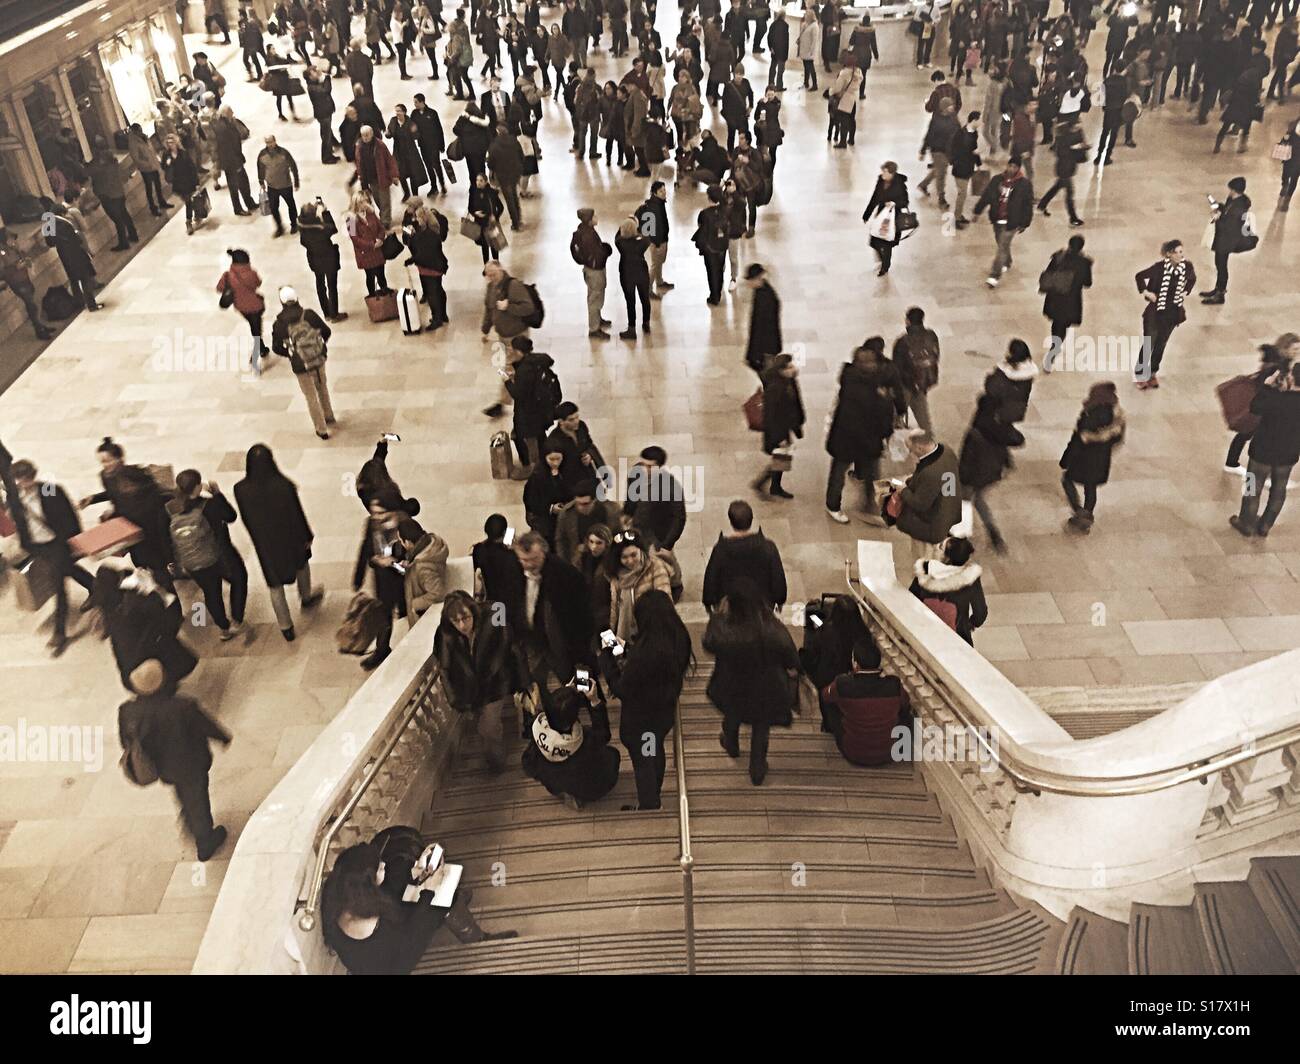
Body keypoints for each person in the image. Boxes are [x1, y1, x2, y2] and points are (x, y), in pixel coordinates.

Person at [321, 826, 515, 974]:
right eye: (380, 868)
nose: (384, 868)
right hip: (397, 964)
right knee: (441, 898)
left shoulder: (340, 901)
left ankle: (454, 905)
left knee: (420, 888)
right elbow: (416, 932)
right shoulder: (380, 927)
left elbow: (388, 900)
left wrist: (416, 873)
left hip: (380, 957)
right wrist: (431, 890)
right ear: (368, 883)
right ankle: (473, 932)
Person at [118, 660, 230, 861]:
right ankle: (205, 840)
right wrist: (223, 737)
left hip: (162, 767)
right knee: (197, 797)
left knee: (181, 791)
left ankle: (188, 816)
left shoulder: (127, 710)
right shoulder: (182, 706)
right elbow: (205, 726)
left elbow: (125, 741)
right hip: (191, 764)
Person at [599, 589, 691, 811]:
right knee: (653, 750)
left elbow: (622, 688)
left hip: (641, 721)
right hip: (661, 715)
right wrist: (626, 649)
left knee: (643, 761)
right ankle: (654, 791)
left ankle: (649, 803)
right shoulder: (676, 637)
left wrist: (605, 659)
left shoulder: (646, 655)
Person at [704, 578, 799, 786]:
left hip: (731, 686)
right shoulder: (773, 629)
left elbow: (708, 642)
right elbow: (792, 659)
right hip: (767, 689)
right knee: (761, 727)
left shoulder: (724, 630)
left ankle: (731, 744)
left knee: (732, 715)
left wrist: (718, 616)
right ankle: (757, 768)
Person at [233, 444, 322, 641]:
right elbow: (296, 514)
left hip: (265, 544)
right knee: (301, 567)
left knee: (274, 585)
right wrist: (306, 536)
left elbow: (246, 518)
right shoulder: (283, 486)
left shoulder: (240, 489)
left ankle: (286, 626)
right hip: (290, 539)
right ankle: (306, 597)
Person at [5, 459, 94, 656]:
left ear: (33, 476)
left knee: (58, 585)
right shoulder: (14, 498)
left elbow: (69, 515)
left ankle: (60, 632)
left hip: (57, 543)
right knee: (66, 569)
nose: (24, 484)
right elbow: (18, 521)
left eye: (27, 479)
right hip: (36, 546)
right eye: (20, 480)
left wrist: (76, 540)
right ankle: (94, 585)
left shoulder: (48, 490)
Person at [507, 530, 595, 698]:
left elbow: (583, 616)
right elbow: (507, 602)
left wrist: (581, 653)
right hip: (532, 641)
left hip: (565, 643)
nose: (529, 565)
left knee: (581, 683)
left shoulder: (567, 575)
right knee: (537, 685)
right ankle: (552, 715)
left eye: (534, 559)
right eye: (524, 560)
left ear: (544, 552)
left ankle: (592, 706)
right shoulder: (512, 571)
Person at [825, 338, 904, 524]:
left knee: (838, 471)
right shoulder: (876, 392)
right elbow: (884, 420)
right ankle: (870, 506)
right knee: (872, 473)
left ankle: (833, 505)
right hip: (867, 439)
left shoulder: (848, 378)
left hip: (843, 437)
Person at [435, 591, 513, 771]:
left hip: (495, 683)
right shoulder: (445, 634)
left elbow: (507, 644)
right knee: (484, 724)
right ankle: (493, 752)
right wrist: (454, 698)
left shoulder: (495, 612)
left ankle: (496, 761)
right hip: (470, 690)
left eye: (465, 618)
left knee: (488, 727)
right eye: (456, 621)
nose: (462, 625)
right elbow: (444, 668)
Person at [957, 355, 1029, 554]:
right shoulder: (1000, 428)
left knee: (967, 500)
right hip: (991, 469)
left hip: (973, 472)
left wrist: (961, 474)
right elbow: (1016, 440)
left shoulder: (977, 430)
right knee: (978, 499)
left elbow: (967, 456)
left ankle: (964, 536)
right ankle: (994, 535)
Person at [78, 438, 173, 580]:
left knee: (157, 565)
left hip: (149, 527)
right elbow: (114, 495)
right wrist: (93, 499)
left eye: (109, 460)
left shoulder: (136, 473)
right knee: (139, 563)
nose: (106, 465)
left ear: (120, 459)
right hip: (129, 529)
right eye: (102, 462)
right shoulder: (105, 476)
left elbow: (154, 496)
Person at [1230, 363, 1300, 538]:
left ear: (1291, 378)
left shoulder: (1276, 397)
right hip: (1288, 454)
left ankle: (1245, 522)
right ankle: (1265, 525)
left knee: (1252, 486)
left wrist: (1268, 386)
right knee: (1279, 489)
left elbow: (1255, 407)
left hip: (1262, 451)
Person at [522, 685, 619, 808]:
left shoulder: (537, 727)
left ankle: (563, 791)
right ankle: (577, 794)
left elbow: (528, 764)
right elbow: (603, 735)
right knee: (613, 754)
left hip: (553, 781)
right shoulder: (584, 743)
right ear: (569, 723)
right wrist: (595, 701)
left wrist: (566, 693)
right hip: (583, 785)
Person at [821, 637, 907, 766]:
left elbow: (824, 696)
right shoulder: (893, 685)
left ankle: (830, 731)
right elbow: (905, 704)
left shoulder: (843, 684)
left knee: (831, 703)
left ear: (856, 664)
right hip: (889, 752)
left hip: (853, 752)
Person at [1224, 336, 1299, 473]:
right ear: (1285, 348)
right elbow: (1265, 385)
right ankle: (1234, 466)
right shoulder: (1277, 366)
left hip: (1257, 455)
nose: (1297, 351)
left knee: (1245, 435)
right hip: (1260, 454)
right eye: (1295, 348)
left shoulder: (1280, 363)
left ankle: (1235, 468)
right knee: (1246, 435)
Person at [270, 286, 336, 439]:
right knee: (322, 387)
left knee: (310, 396)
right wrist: (319, 345)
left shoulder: (279, 324)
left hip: (300, 364)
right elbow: (327, 331)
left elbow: (276, 347)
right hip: (318, 359)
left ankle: (322, 429)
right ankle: (329, 415)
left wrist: (291, 353)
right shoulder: (309, 315)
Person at [1059, 382, 1125, 532]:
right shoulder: (1116, 416)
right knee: (1091, 487)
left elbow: (1077, 441)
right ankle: (1087, 514)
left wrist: (1066, 459)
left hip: (1084, 459)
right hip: (1101, 460)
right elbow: (1117, 439)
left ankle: (1079, 512)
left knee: (1067, 480)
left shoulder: (1089, 415)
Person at [701, 499, 787, 611]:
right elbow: (777, 576)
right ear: (751, 520)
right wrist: (779, 600)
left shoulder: (721, 549)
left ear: (731, 522)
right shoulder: (768, 547)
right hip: (762, 606)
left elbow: (711, 578)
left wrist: (708, 602)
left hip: (731, 608)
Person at [1134, 239, 1196, 389]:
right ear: (1169, 254)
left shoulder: (1187, 267)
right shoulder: (1159, 268)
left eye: (1182, 252)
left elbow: (1192, 279)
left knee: (1161, 344)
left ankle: (1153, 372)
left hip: (1173, 313)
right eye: (1177, 252)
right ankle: (1141, 374)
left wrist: (1185, 291)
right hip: (1155, 313)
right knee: (1149, 343)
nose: (1181, 255)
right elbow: (1139, 276)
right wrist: (1146, 292)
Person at [894, 431, 963, 560]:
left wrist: (903, 490)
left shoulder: (930, 473)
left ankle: (923, 574)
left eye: (911, 449)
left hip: (929, 524)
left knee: (922, 558)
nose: (911, 454)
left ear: (920, 447)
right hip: (947, 511)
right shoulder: (946, 451)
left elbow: (919, 504)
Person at [908, 536, 988, 645]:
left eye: (941, 546)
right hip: (957, 635)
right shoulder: (970, 579)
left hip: (926, 634)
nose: (937, 547)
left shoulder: (925, 571)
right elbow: (980, 613)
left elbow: (910, 600)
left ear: (946, 558)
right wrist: (971, 624)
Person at [973, 155, 1034, 288]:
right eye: (1010, 165)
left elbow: (1027, 205)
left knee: (1001, 247)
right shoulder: (996, 180)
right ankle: (1007, 261)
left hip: (1011, 221)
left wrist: (1025, 222)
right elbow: (986, 196)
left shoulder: (1024, 184)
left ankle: (994, 275)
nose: (1012, 168)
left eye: (1015, 167)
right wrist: (977, 211)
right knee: (1001, 244)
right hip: (997, 219)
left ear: (1018, 168)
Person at [751, 353, 804, 500]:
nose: (794, 368)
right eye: (790, 366)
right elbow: (771, 417)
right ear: (782, 370)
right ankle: (763, 484)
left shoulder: (788, 381)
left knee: (782, 458)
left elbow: (795, 405)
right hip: (778, 432)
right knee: (781, 457)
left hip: (785, 427)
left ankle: (774, 486)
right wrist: (779, 437)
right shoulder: (775, 388)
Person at [606, 528, 673, 640]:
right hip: (626, 636)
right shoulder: (615, 576)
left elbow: (664, 602)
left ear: (640, 551)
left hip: (652, 633)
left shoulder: (655, 567)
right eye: (624, 557)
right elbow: (614, 610)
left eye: (633, 555)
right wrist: (611, 635)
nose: (630, 561)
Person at [1040, 234, 1093, 365]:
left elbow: (1048, 273)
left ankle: (1054, 345)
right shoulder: (1084, 262)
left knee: (1056, 323)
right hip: (1071, 299)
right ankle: (1055, 348)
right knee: (1063, 325)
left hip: (1055, 297)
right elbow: (1087, 283)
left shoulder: (1058, 256)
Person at [1201, 177, 1254, 307]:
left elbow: (1230, 224)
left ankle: (1220, 294)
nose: (1229, 192)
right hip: (1223, 238)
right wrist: (1218, 205)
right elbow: (1226, 210)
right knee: (1219, 265)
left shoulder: (1239, 207)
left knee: (1221, 266)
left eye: (1231, 189)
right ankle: (1218, 289)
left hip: (1227, 240)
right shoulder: (1234, 200)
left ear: (1235, 190)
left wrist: (1217, 218)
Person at [623, 446, 687, 551]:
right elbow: (630, 496)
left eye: (650, 466)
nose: (645, 469)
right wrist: (627, 513)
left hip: (655, 536)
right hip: (636, 528)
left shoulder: (671, 486)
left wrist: (665, 545)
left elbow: (679, 518)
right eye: (643, 464)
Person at [39, 199, 98, 312]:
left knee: (73, 279)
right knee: (85, 278)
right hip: (76, 254)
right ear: (61, 213)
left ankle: (79, 303)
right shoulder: (65, 223)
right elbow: (76, 239)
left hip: (64, 256)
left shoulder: (48, 225)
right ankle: (91, 304)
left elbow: (50, 243)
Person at [216, 249, 269, 375]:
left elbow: (219, 288)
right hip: (256, 307)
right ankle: (255, 362)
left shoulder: (227, 275)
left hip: (241, 308)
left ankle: (262, 348)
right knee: (256, 332)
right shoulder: (251, 273)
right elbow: (258, 283)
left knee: (255, 329)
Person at [891, 306, 941, 435]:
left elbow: (896, 367)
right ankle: (930, 440)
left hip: (906, 384)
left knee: (897, 411)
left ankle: (892, 431)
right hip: (923, 382)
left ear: (907, 321)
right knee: (923, 413)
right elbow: (936, 356)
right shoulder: (931, 335)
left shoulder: (903, 341)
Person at [297, 199, 346, 323]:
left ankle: (327, 313)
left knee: (320, 285)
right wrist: (325, 212)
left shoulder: (302, 226)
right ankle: (334, 314)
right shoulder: (321, 227)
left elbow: (303, 241)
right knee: (331, 286)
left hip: (314, 259)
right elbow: (333, 228)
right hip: (328, 258)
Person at [85, 140, 139, 252]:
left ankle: (123, 242)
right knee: (124, 215)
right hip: (119, 194)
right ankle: (133, 235)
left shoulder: (100, 169)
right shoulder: (114, 164)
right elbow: (124, 175)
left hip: (108, 197)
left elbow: (89, 174)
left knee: (117, 220)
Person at [0, 230, 54, 339]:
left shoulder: (13, 248)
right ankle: (39, 329)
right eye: (10, 239)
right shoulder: (2, 252)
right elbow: (2, 272)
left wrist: (26, 259)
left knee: (33, 303)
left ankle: (39, 325)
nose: (13, 241)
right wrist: (16, 267)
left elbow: (23, 255)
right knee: (31, 304)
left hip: (24, 278)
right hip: (16, 282)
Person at [544, 402, 607, 492]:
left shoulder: (581, 426)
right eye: (571, 419)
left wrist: (589, 455)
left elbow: (589, 444)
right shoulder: (554, 442)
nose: (576, 421)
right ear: (561, 421)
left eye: (577, 417)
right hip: (571, 481)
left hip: (588, 474)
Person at [862, 161, 909, 276]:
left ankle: (885, 266)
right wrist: (866, 214)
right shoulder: (881, 181)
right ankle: (883, 259)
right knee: (874, 241)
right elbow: (875, 198)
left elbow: (905, 202)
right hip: (881, 216)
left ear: (891, 173)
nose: (883, 173)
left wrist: (893, 203)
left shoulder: (900, 184)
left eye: (885, 172)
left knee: (887, 243)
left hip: (893, 219)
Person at [555, 480, 620, 564]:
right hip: (579, 561)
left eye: (585, 504)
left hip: (606, 560)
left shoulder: (610, 511)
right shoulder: (567, 513)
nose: (580, 507)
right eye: (578, 503)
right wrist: (565, 563)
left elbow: (618, 535)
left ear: (594, 501)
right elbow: (561, 540)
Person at [212, 106, 257, 216]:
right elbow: (227, 148)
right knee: (235, 186)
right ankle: (238, 208)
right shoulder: (223, 128)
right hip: (232, 162)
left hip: (235, 159)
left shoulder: (227, 123)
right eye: (230, 111)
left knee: (243, 183)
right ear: (225, 114)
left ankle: (249, 203)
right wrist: (236, 164)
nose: (233, 112)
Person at [354, 125, 400, 226]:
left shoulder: (380, 145)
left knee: (385, 201)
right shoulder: (359, 146)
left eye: (367, 135)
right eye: (363, 135)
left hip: (382, 176)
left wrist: (394, 175)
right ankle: (384, 215)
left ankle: (386, 221)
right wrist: (360, 175)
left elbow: (389, 159)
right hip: (371, 179)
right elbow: (358, 162)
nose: (365, 137)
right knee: (377, 199)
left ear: (372, 134)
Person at [256, 135, 300, 237]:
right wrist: (261, 182)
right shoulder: (262, 155)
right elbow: (260, 169)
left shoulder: (284, 153)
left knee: (291, 205)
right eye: (267, 142)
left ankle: (294, 224)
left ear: (275, 141)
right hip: (272, 186)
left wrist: (296, 182)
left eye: (271, 142)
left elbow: (293, 167)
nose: (269, 144)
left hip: (285, 185)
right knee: (274, 208)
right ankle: (279, 227)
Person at [692, 184, 730, 305]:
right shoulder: (725, 210)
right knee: (720, 269)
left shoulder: (704, 214)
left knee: (711, 271)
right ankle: (718, 291)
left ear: (709, 198)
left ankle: (714, 296)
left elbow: (701, 228)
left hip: (710, 248)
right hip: (722, 246)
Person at [917, 99, 959, 205]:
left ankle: (923, 185)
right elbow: (929, 136)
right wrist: (923, 151)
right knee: (941, 174)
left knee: (938, 169)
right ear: (944, 108)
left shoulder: (954, 118)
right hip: (937, 150)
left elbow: (958, 132)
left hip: (949, 150)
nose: (952, 107)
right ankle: (941, 197)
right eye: (950, 106)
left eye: (952, 105)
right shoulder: (936, 120)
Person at [742, 263, 782, 374]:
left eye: (750, 280)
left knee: (768, 375)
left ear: (757, 279)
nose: (748, 283)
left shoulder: (766, 298)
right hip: (764, 347)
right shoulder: (761, 292)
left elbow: (764, 327)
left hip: (766, 349)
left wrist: (756, 353)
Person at [125, 123, 171, 216]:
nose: (141, 132)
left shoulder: (144, 138)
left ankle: (161, 202)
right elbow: (136, 158)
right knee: (149, 188)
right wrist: (147, 165)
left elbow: (151, 151)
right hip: (146, 169)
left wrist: (155, 161)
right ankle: (153, 208)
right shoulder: (133, 143)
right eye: (139, 131)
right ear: (134, 132)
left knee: (158, 185)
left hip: (153, 165)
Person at [637, 181, 673, 296]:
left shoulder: (656, 203)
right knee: (655, 264)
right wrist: (657, 243)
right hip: (658, 241)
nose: (664, 192)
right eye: (661, 191)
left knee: (658, 263)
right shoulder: (655, 207)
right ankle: (648, 288)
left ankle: (659, 281)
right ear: (655, 193)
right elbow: (656, 228)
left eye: (664, 190)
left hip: (658, 240)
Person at [766, 8, 790, 91]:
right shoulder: (786, 25)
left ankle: (771, 85)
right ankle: (779, 86)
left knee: (772, 68)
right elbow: (786, 40)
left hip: (774, 50)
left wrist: (770, 47)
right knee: (780, 70)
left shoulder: (773, 24)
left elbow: (769, 37)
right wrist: (786, 54)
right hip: (782, 51)